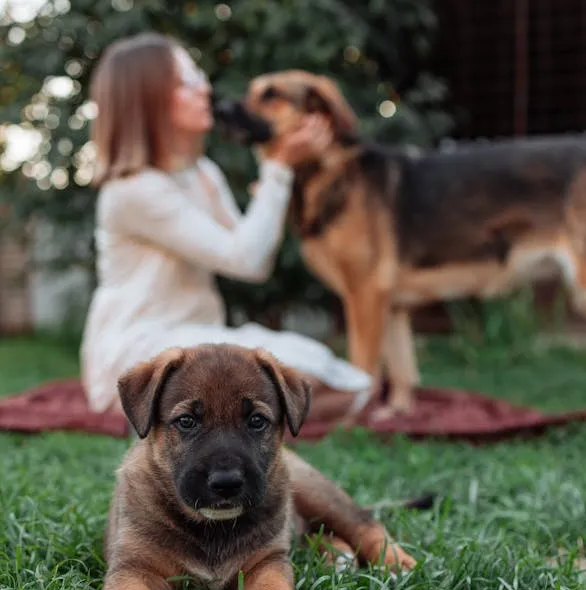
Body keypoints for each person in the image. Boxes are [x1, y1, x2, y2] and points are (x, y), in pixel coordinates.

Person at [80, 33, 372, 423]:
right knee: (306, 383)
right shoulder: (134, 191)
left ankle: (276, 415)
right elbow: (246, 260)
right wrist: (279, 168)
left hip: (202, 337)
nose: (205, 90)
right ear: (148, 102)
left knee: (336, 375)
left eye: (200, 76)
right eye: (187, 82)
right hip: (142, 349)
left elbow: (256, 256)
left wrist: (277, 174)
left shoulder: (204, 174)